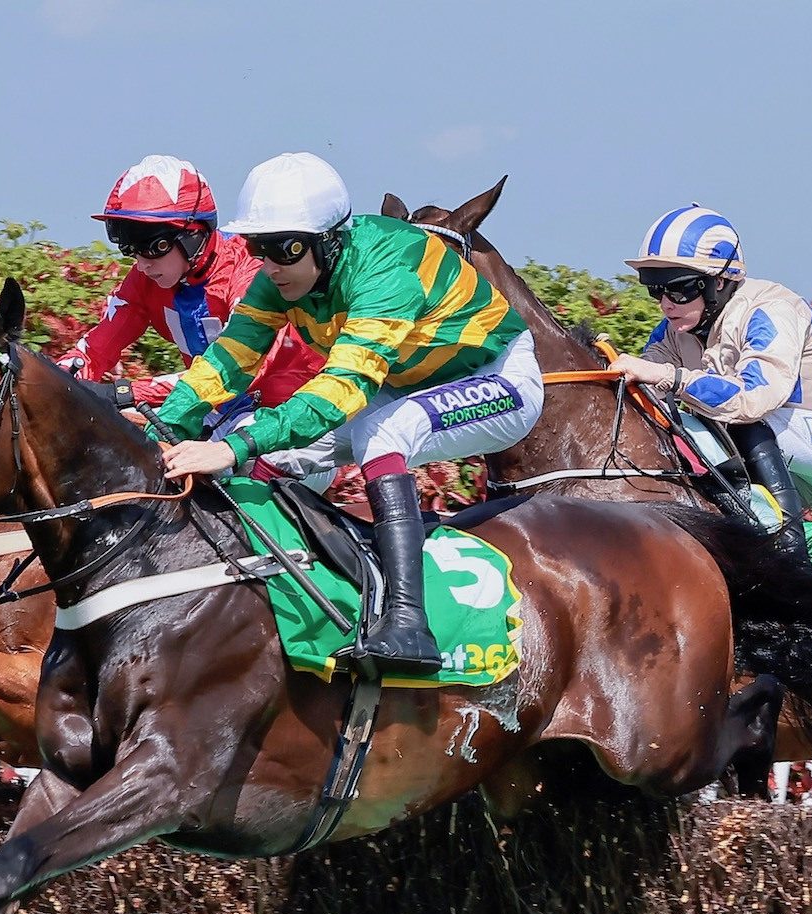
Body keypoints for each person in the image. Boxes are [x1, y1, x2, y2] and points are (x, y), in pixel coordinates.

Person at [153, 152, 542, 671]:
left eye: (284, 249)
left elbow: (344, 388)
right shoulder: (276, 281)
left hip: (494, 379)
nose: (269, 265)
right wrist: (171, 425)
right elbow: (226, 362)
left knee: (383, 434)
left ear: (329, 241)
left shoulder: (386, 269)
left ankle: (409, 624)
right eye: (256, 248)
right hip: (400, 384)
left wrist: (229, 446)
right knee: (272, 453)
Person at [606, 204, 812, 551]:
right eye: (655, 290)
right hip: (794, 450)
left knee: (734, 423)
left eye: (680, 289)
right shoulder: (672, 331)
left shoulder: (769, 309)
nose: (666, 304)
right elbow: (649, 395)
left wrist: (669, 376)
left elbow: (752, 400)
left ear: (719, 282)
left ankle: (793, 564)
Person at [58, 154, 334, 490]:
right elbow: (95, 350)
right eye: (129, 247)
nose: (141, 263)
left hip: (291, 422)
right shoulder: (144, 279)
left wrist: (123, 391)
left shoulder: (247, 272)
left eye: (151, 247)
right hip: (215, 415)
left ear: (194, 235)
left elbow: (241, 373)